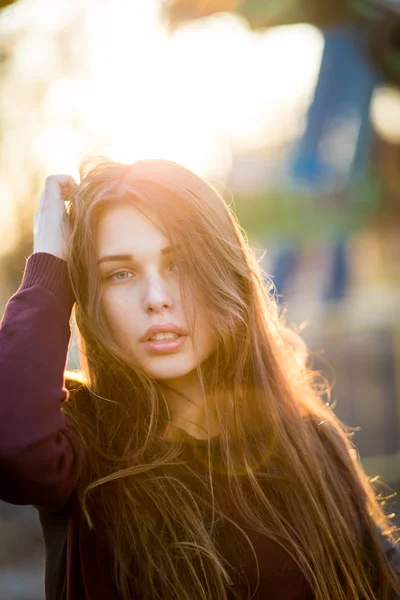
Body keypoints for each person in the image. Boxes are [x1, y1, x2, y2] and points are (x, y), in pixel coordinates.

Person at [0, 158, 399, 600]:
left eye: (179, 264)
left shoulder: (309, 441)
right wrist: (49, 266)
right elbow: (12, 445)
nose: (156, 299)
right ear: (91, 300)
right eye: (120, 273)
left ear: (223, 273)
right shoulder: (81, 442)